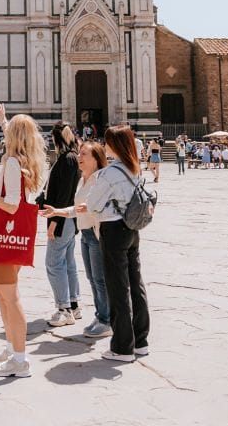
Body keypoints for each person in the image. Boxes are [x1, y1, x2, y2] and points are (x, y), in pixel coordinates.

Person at [0, 104, 47, 378]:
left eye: (9, 132)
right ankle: (11, 346)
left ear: (15, 138)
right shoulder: (22, 160)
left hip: (5, 234)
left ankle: (20, 359)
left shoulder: (14, 164)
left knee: (10, 298)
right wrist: (4, 120)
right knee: (3, 296)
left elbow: (13, 205)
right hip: (11, 236)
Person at [86, 125, 150, 362]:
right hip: (132, 230)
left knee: (117, 288)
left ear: (113, 145)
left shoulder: (110, 173)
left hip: (113, 231)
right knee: (136, 283)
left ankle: (122, 347)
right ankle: (140, 342)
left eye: (106, 142)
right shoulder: (134, 168)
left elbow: (92, 205)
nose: (104, 146)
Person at [42, 141, 112, 338]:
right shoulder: (83, 180)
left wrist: (90, 207)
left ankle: (106, 320)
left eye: (84, 154)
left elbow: (99, 205)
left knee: (100, 280)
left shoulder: (100, 179)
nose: (78, 157)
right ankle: (100, 317)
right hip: (86, 234)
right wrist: (57, 212)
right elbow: (76, 208)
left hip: (97, 234)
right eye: (79, 153)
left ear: (96, 159)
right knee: (92, 278)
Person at [41, 122, 82, 327]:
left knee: (53, 263)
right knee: (68, 262)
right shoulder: (72, 158)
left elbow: (64, 196)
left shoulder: (66, 160)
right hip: (68, 219)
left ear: (56, 139)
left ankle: (64, 309)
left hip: (62, 219)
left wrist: (53, 222)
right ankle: (74, 305)